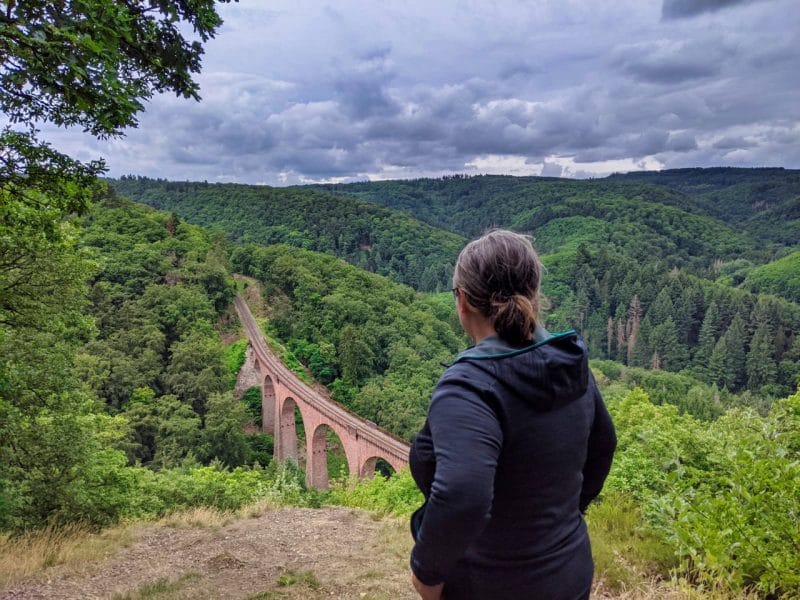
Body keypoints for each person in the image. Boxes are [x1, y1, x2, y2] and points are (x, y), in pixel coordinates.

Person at [409, 229, 617, 600]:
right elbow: (603, 445)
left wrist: (428, 572)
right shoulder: (568, 361)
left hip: (490, 582)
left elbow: (462, 494)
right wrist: (563, 519)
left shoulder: (468, 386)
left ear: (463, 302)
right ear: (532, 295)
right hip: (569, 571)